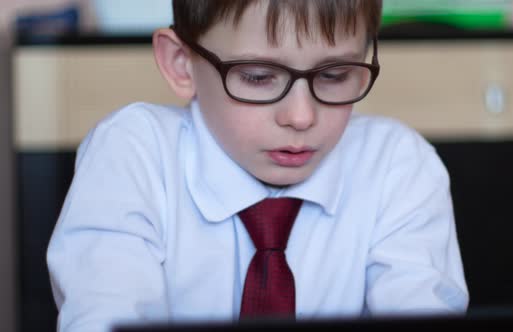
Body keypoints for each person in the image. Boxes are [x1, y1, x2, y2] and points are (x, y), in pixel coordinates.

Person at [46, 0, 469, 331]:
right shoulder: (133, 154)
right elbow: (107, 314)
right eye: (259, 77)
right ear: (181, 63)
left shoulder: (397, 164)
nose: (301, 116)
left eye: (334, 75)